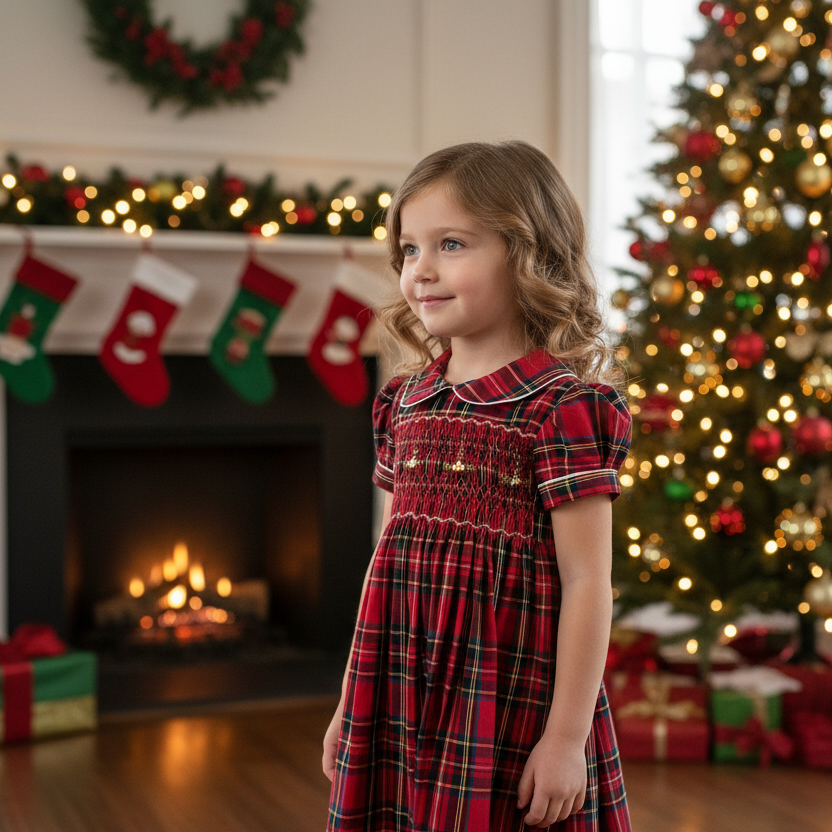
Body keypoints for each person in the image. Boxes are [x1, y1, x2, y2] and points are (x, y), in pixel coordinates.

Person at [323, 140, 632, 831]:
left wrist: (566, 738)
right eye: (410, 249)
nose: (421, 270)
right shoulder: (405, 401)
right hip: (399, 686)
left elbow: (588, 581)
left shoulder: (562, 409)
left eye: (451, 244)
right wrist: (350, 701)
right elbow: (387, 561)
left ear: (527, 255)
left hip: (508, 698)